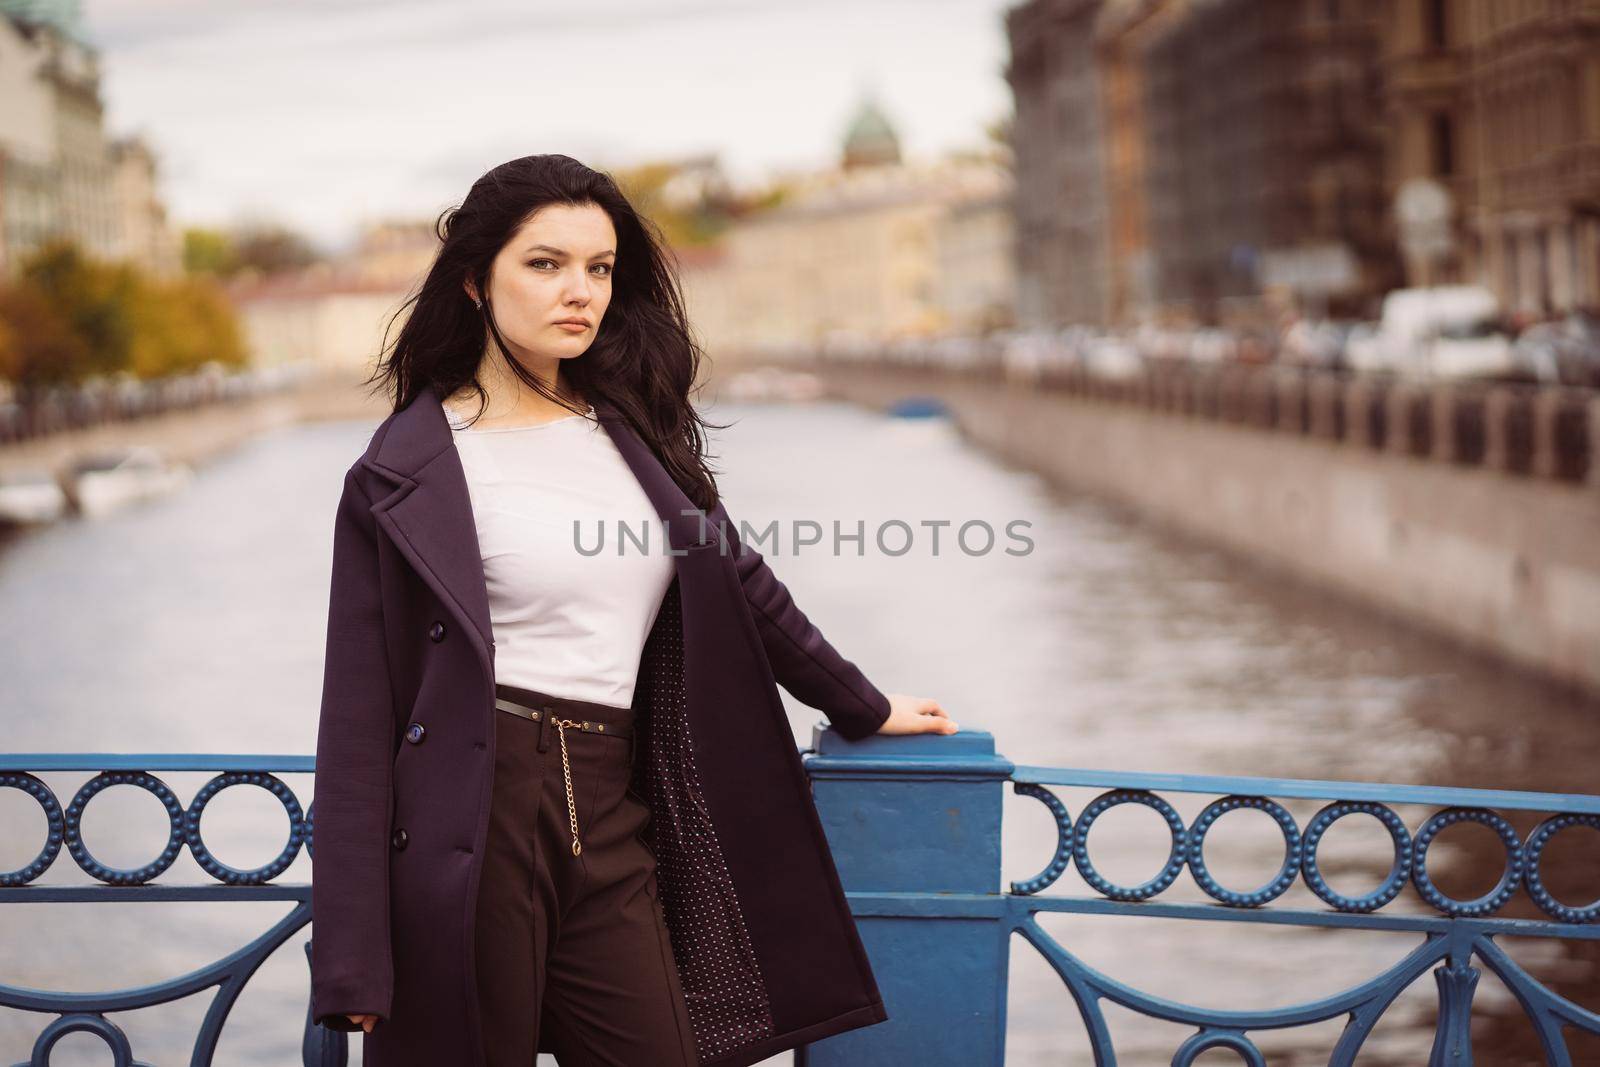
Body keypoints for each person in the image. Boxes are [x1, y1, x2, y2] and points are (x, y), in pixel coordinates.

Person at [310, 153, 958, 1067]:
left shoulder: (634, 432)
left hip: (614, 807)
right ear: (474, 278)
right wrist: (349, 962)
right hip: (475, 811)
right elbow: (357, 716)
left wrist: (860, 702)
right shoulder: (404, 469)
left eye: (599, 268)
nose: (579, 291)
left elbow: (744, 585)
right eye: (546, 264)